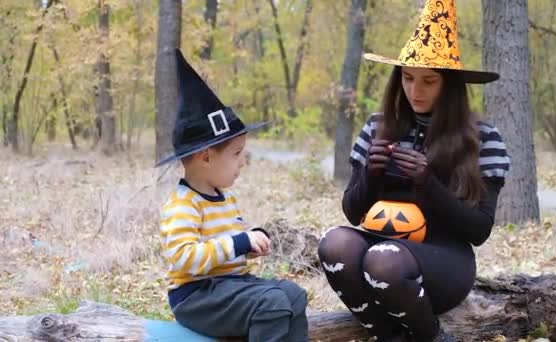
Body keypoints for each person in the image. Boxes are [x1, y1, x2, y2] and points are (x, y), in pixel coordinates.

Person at [317, 1, 510, 341]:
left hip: (443, 258)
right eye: (407, 78)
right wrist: (372, 174)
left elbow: (479, 230)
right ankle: (387, 336)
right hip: (380, 241)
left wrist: (428, 184)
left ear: (449, 84)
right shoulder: (377, 127)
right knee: (334, 243)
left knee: (382, 259)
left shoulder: (482, 138)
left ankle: (432, 337)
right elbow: (353, 212)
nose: (415, 91)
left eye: (428, 81)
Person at [157, 49, 308, 342]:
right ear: (205, 157)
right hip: (196, 297)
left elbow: (230, 248)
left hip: (229, 286)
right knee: (272, 303)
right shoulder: (183, 205)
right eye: (237, 154)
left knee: (293, 295)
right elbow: (183, 258)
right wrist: (239, 242)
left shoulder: (225, 198)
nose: (242, 162)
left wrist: (250, 244)